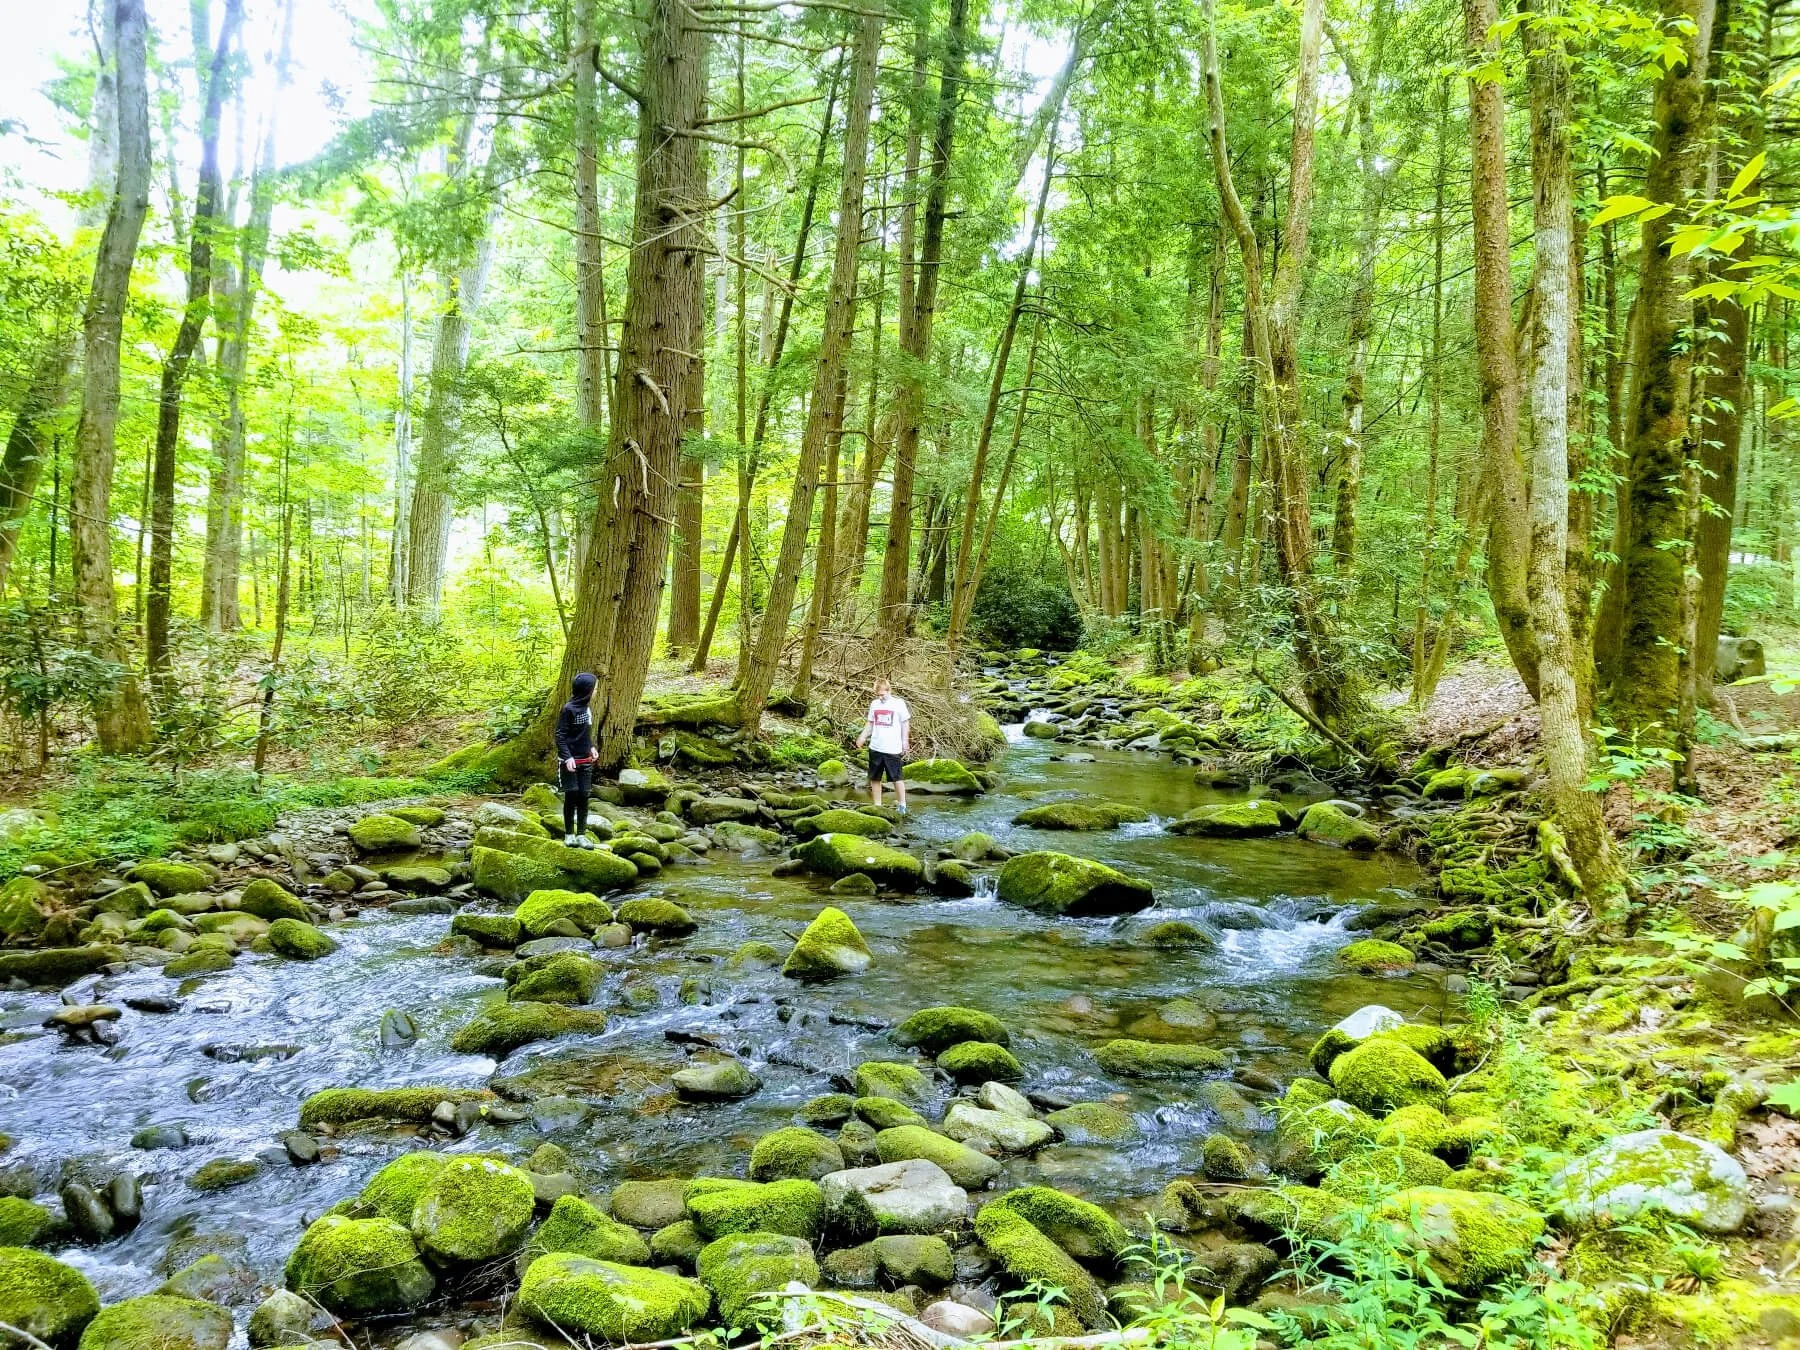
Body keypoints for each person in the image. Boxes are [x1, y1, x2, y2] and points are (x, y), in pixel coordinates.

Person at [554, 671, 599, 846]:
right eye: (595, 689)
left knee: (583, 796)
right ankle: (569, 835)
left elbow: (585, 734)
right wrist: (567, 757)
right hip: (569, 763)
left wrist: (592, 747)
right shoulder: (568, 709)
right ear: (587, 690)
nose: (596, 692)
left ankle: (581, 834)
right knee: (571, 795)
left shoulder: (587, 709)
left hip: (585, 762)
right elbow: (560, 735)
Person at [854, 676, 911, 811]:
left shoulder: (898, 704)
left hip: (892, 748)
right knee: (875, 778)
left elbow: (905, 723)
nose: (880, 698)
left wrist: (905, 742)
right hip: (876, 747)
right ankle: (877, 805)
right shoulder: (875, 704)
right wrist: (862, 737)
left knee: (897, 778)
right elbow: (870, 723)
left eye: (882, 695)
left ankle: (902, 805)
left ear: (889, 691)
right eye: (878, 695)